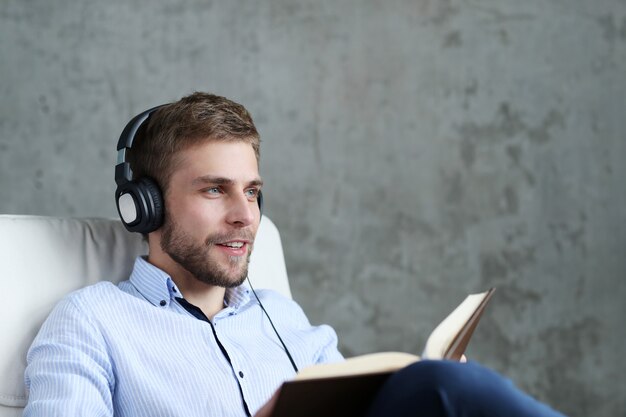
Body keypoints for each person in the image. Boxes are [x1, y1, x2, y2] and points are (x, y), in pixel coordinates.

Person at [24, 92, 566, 417]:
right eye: (215, 189)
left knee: (441, 389)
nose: (246, 216)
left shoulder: (283, 319)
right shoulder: (91, 321)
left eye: (253, 191)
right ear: (144, 205)